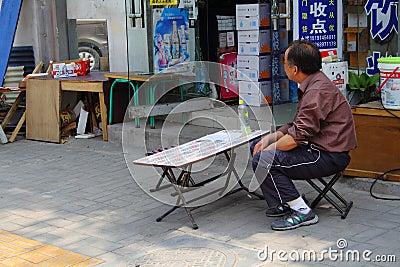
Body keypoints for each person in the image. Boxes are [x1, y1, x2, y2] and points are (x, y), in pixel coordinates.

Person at [250, 39, 357, 231]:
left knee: (264, 158)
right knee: (257, 146)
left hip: (328, 155)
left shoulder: (316, 91)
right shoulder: (313, 83)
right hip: (317, 146)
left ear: (295, 69)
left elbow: (296, 137)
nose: (284, 66)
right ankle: (284, 202)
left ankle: (302, 211)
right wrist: (271, 137)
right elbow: (297, 124)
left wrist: (268, 148)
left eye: (285, 62)